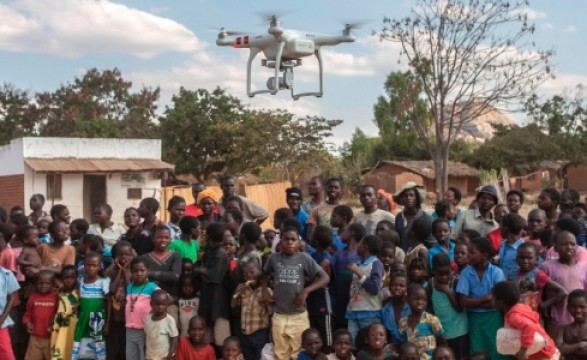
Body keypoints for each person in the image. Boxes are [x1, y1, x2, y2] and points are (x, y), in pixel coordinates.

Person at [262, 226, 330, 360]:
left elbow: (325, 278)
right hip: (279, 314)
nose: (289, 242)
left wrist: (307, 290)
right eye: (286, 239)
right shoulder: (274, 258)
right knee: (281, 353)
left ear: (299, 242)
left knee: (298, 353)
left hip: (298, 315)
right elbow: (264, 274)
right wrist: (264, 290)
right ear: (280, 241)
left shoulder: (304, 258)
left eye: (293, 239)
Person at [456, 236, 507, 360]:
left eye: (472, 252)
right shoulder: (466, 273)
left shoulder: (497, 272)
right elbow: (463, 301)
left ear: (484, 255)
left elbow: (497, 303)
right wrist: (487, 298)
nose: (468, 255)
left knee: (497, 350)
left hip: (494, 318)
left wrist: (473, 302)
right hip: (475, 320)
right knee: (477, 351)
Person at [492, 281, 560, 360]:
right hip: (545, 349)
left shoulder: (514, 316)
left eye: (493, 298)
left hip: (544, 354)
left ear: (501, 302)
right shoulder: (520, 307)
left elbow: (529, 327)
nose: (491, 300)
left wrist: (523, 350)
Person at [539, 231, 587, 330]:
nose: (569, 247)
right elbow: (541, 293)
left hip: (578, 321)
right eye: (564, 244)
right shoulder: (547, 267)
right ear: (555, 247)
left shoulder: (584, 269)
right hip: (555, 320)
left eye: (573, 244)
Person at [194, 223, 231, 350]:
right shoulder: (209, 252)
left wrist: (202, 271)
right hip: (208, 301)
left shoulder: (220, 253)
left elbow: (215, 277)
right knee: (207, 341)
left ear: (208, 236)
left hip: (218, 303)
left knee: (221, 341)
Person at [346, 235, 384, 344]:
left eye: (360, 244)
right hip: (353, 311)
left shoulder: (376, 264)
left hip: (369, 313)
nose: (358, 246)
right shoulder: (359, 264)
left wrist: (358, 272)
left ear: (365, 246)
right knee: (351, 344)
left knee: (370, 344)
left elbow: (375, 288)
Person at [429, 253, 468, 359]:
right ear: (433, 272)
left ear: (451, 269)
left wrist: (448, 291)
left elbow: (459, 308)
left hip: (460, 332)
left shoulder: (456, 282)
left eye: (447, 273)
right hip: (442, 334)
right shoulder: (430, 285)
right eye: (440, 274)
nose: (444, 277)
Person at [72, 252, 109, 360]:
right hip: (83, 319)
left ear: (99, 266)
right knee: (82, 343)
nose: (91, 268)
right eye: (88, 265)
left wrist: (107, 323)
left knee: (97, 345)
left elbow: (109, 302)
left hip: (97, 320)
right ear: (84, 265)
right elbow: (79, 299)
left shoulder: (103, 282)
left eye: (94, 265)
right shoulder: (80, 281)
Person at [512, 242, 567, 314]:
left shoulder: (538, 274)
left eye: (529, 258)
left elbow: (563, 292)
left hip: (532, 316)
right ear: (517, 258)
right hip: (516, 314)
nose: (525, 261)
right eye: (522, 257)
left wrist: (545, 304)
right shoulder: (512, 273)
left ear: (537, 259)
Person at [232, 261, 271, 360]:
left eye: (252, 272)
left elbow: (271, 313)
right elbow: (235, 310)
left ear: (259, 273)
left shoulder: (266, 291)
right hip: (245, 333)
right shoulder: (243, 289)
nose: (248, 276)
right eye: (245, 274)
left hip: (260, 332)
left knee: (259, 356)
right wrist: (236, 295)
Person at [399, 284, 446, 360]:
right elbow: (403, 344)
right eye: (416, 299)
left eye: (424, 299)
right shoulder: (403, 322)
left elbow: (443, 343)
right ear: (407, 300)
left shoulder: (431, 320)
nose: (420, 302)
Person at [308, 225, 335, 352]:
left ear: (317, 241)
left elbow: (312, 281)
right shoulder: (312, 255)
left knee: (327, 341)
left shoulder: (326, 260)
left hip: (324, 304)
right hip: (312, 303)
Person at [333, 223, 365, 330]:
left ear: (352, 233)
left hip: (356, 300)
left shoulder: (361, 254)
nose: (341, 234)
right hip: (340, 298)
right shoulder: (339, 253)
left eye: (345, 231)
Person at [126, 257, 159, 360]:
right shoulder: (130, 287)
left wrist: (154, 312)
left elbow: (166, 298)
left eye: (142, 270)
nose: (139, 273)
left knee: (144, 356)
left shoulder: (151, 286)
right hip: (130, 329)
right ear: (131, 272)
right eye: (135, 271)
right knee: (131, 356)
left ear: (148, 271)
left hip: (145, 329)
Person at [104, 241, 132, 360]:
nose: (123, 257)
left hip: (128, 316)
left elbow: (130, 289)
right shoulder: (110, 271)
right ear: (116, 256)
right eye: (120, 254)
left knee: (126, 347)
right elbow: (111, 290)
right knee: (114, 347)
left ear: (131, 255)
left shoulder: (134, 270)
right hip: (114, 315)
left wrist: (125, 270)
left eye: (126, 254)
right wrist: (120, 270)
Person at [142, 225, 181, 306]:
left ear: (170, 239)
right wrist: (166, 275)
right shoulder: (145, 257)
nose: (163, 240)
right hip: (150, 301)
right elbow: (143, 278)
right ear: (153, 239)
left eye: (166, 237)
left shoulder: (175, 255)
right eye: (159, 237)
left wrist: (149, 273)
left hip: (171, 300)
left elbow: (174, 277)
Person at [23, 270, 58, 360]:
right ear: (36, 283)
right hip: (35, 337)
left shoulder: (56, 297)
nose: (43, 286)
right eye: (41, 283)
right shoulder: (33, 297)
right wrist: (27, 323)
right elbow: (27, 314)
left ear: (53, 284)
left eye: (47, 283)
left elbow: (59, 314)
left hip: (51, 338)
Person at [51, 265, 79, 360]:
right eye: (66, 277)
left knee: (71, 346)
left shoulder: (78, 293)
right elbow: (55, 308)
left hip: (73, 324)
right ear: (62, 278)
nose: (69, 280)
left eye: (72, 277)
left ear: (76, 278)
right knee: (59, 345)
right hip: (60, 325)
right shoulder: (58, 293)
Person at [394, 182, 432, 252]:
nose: (408, 198)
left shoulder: (426, 218)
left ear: (417, 198)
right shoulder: (399, 217)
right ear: (402, 198)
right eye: (405, 195)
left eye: (412, 195)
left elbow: (430, 242)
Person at [144, 289, 179, 360]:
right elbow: (146, 333)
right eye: (157, 304)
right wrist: (145, 346)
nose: (160, 307)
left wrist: (172, 352)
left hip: (164, 356)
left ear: (167, 304)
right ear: (151, 304)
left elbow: (174, 337)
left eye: (163, 304)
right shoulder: (147, 318)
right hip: (151, 355)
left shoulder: (169, 320)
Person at [557, 289, 587, 359]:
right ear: (568, 308)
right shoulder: (563, 328)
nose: (578, 310)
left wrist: (567, 347)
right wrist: (580, 345)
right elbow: (558, 350)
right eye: (574, 307)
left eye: (582, 307)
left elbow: (562, 349)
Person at [381, 273, 410, 344]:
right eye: (394, 285)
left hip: (410, 347)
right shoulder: (385, 308)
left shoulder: (412, 307)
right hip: (392, 346)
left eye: (401, 286)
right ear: (389, 287)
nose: (397, 288)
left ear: (407, 289)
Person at [0, 262, 20, 360]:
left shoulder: (6, 274)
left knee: (6, 352)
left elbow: (12, 298)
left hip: (1, 322)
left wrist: (2, 319)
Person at [497, 213, 526, 279]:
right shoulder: (503, 244)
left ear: (505, 229)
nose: (499, 230)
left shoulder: (523, 248)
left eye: (500, 227)